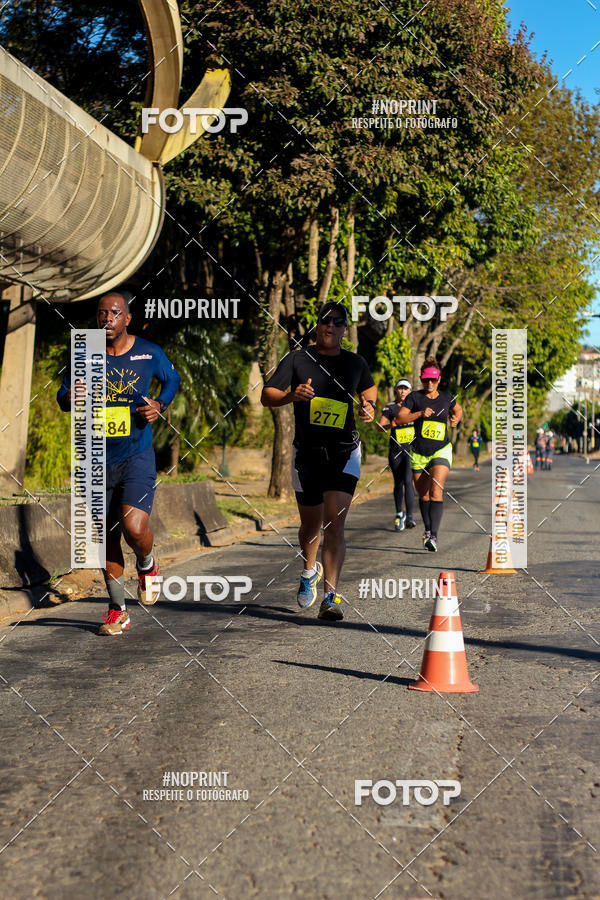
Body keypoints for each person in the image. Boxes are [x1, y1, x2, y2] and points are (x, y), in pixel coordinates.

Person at [57, 290, 180, 635]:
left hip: (136, 454)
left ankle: (147, 563)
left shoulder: (148, 352)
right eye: (101, 313)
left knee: (134, 527)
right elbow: (63, 397)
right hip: (95, 458)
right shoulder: (84, 352)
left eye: (115, 313)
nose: (107, 319)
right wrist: (71, 395)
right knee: (106, 537)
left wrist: (160, 404)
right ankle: (117, 609)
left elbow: (172, 379)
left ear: (127, 318)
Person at [261, 301, 376, 621]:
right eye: (326, 320)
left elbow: (370, 390)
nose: (331, 326)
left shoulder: (355, 363)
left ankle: (331, 595)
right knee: (310, 526)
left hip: (344, 452)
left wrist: (370, 407)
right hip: (307, 455)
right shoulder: (298, 358)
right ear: (318, 324)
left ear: (345, 328)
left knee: (334, 523)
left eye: (338, 322)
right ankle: (308, 570)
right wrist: (290, 396)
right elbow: (266, 394)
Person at [394, 357, 462, 552]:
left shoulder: (447, 397)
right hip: (419, 452)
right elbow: (399, 418)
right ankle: (428, 529)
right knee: (423, 495)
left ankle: (434, 536)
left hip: (441, 449)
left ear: (439, 379)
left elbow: (458, 409)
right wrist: (419, 414)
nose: (429, 383)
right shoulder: (414, 398)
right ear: (421, 379)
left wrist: (456, 418)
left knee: (436, 491)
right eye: (426, 380)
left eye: (433, 380)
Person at [377, 379, 416, 530]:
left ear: (410, 391)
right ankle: (400, 513)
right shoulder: (390, 407)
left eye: (405, 389)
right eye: (400, 389)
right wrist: (389, 425)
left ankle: (410, 517)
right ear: (396, 391)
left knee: (408, 480)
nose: (402, 391)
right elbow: (380, 427)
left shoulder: (414, 406)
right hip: (395, 450)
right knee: (398, 482)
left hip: (410, 450)